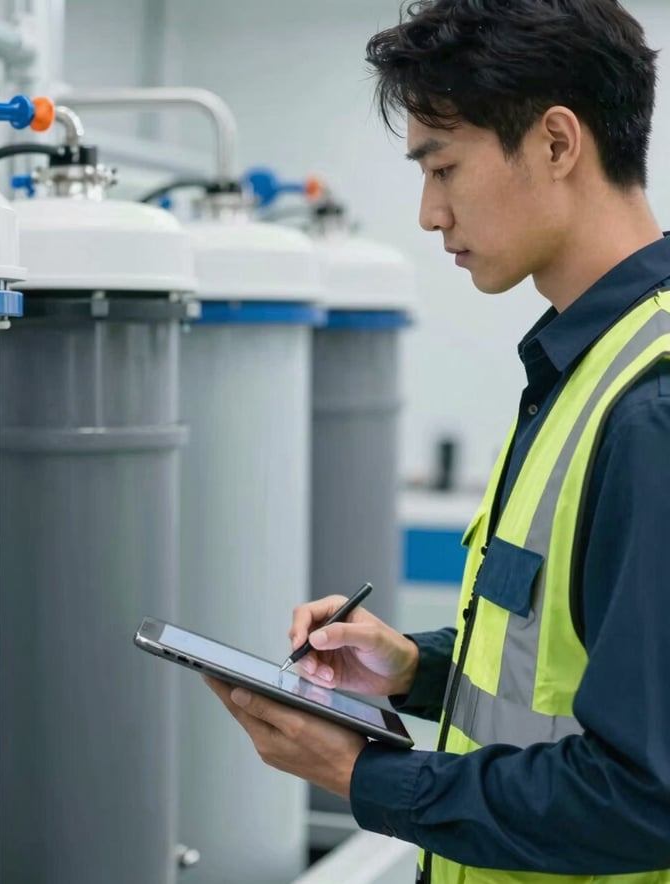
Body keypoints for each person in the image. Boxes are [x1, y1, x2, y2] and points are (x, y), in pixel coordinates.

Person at [206, 1, 670, 881]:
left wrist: (362, 775)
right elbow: (567, 675)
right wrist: (414, 669)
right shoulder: (586, 365)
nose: (429, 213)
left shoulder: (650, 407)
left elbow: (645, 795)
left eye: (444, 167)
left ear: (557, 143)